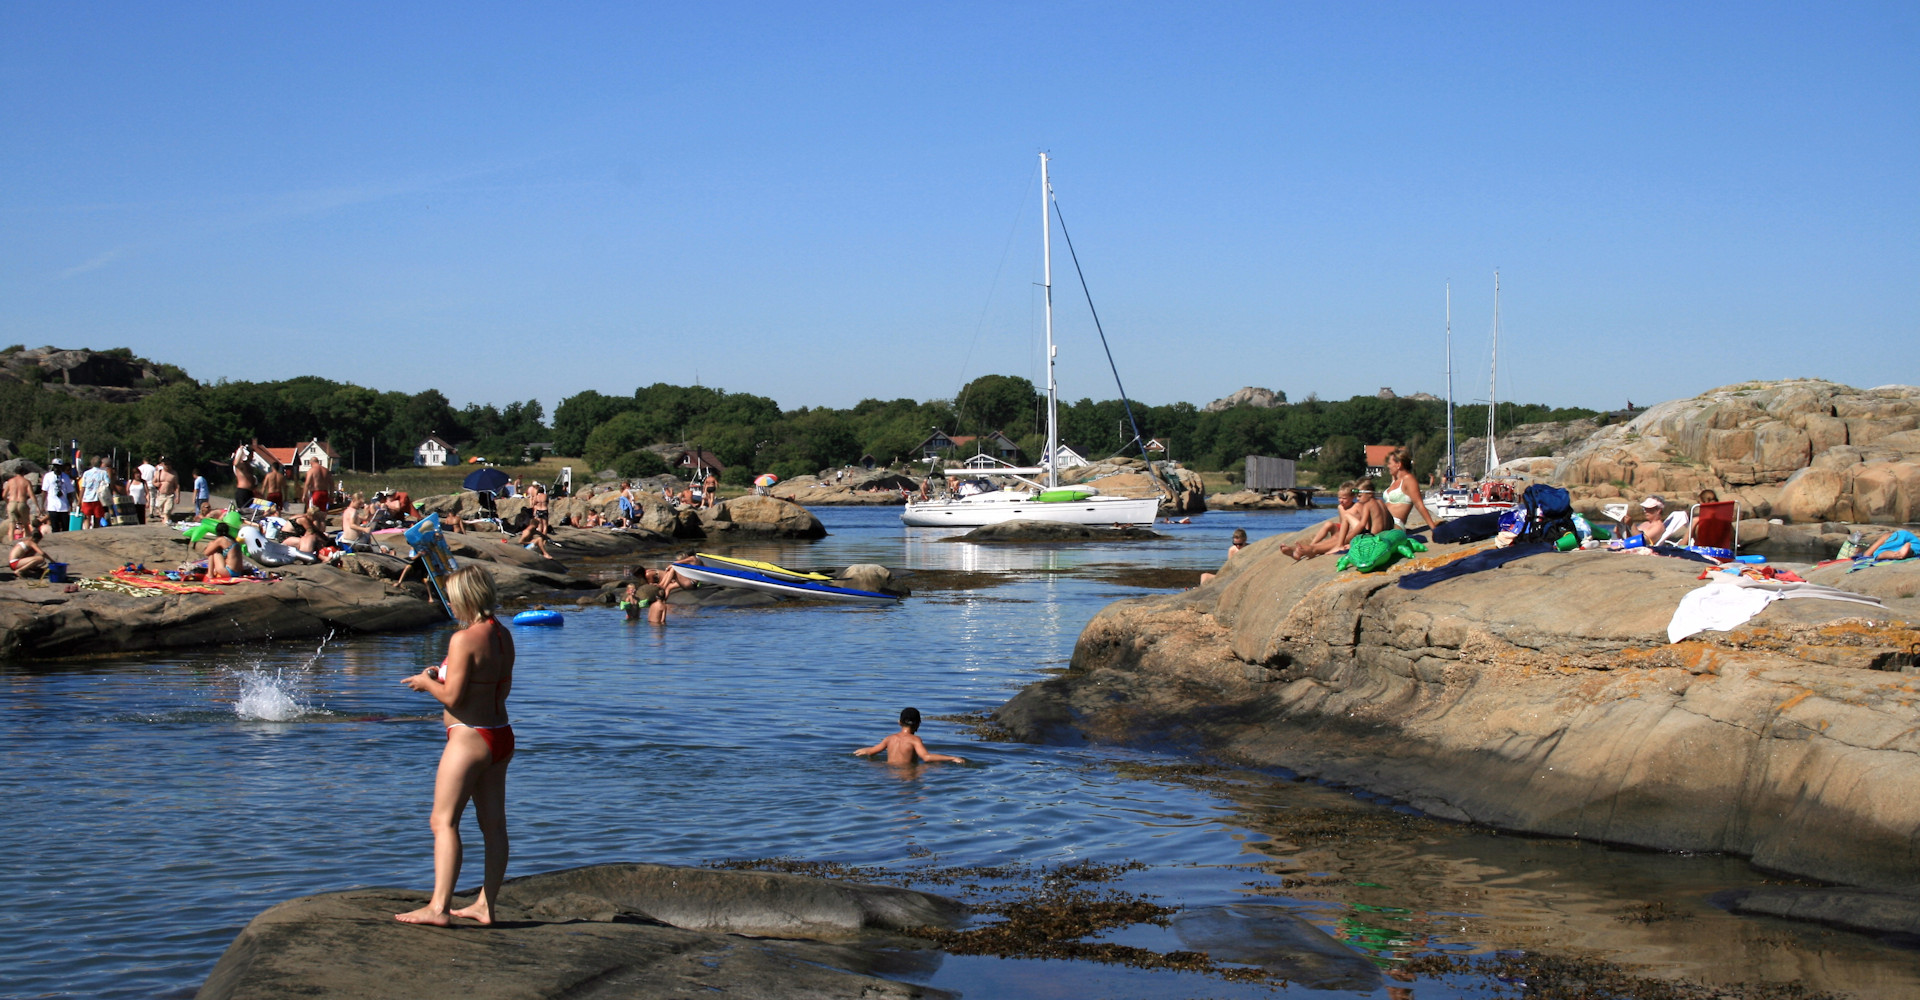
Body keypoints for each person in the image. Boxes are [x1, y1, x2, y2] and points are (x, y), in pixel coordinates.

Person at [396, 566, 515, 927]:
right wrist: (443, 673)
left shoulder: (463, 638)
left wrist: (426, 682)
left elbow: (452, 695)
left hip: (468, 737)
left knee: (443, 821)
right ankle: (485, 905)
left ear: (466, 597)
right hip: (500, 735)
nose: (448, 601)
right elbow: (498, 687)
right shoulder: (503, 635)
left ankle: (438, 908)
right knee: (493, 826)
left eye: (451, 595)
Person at [854, 707, 966, 764]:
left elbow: (871, 751)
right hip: (906, 774)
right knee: (937, 767)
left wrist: (862, 750)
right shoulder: (915, 740)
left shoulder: (889, 738)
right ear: (918, 724)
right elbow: (926, 757)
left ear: (899, 722)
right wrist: (952, 758)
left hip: (888, 772)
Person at [1382, 448, 1437, 531]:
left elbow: (1419, 504)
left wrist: (1433, 528)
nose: (1388, 466)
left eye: (1390, 463)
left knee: (1370, 505)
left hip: (1395, 524)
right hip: (1383, 521)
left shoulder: (1408, 479)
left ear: (1398, 465)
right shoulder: (1395, 480)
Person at [79, 457, 111, 530]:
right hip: (98, 498)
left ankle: (87, 530)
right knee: (97, 518)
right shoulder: (103, 473)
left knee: (87, 518)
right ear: (100, 464)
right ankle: (95, 531)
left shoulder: (86, 473)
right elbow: (108, 483)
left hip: (87, 498)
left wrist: (79, 501)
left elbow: (83, 487)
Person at [4, 469, 36, 540]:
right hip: (22, 503)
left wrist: (8, 502)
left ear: (15, 473)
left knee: (12, 525)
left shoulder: (10, 481)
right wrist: (37, 507)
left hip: (12, 503)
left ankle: (11, 544)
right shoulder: (26, 482)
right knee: (26, 525)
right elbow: (31, 495)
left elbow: (4, 495)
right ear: (23, 473)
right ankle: (26, 542)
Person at [42, 460, 73, 533]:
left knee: (65, 527)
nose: (56, 468)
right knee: (55, 527)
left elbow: (69, 492)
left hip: (64, 506)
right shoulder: (48, 476)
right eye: (55, 466)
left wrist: (70, 505)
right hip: (52, 506)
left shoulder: (65, 477)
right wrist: (42, 505)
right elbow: (44, 491)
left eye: (58, 466)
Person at [231, 445, 258, 511]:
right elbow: (236, 463)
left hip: (250, 492)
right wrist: (240, 451)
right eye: (252, 455)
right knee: (244, 512)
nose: (253, 456)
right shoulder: (242, 465)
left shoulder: (250, 466)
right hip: (242, 492)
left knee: (250, 512)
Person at [151, 460, 179, 525]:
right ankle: (165, 518)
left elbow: (177, 485)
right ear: (163, 465)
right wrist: (156, 484)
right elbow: (153, 481)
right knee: (159, 507)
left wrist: (178, 496)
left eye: (169, 465)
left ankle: (167, 519)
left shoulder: (174, 473)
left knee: (168, 509)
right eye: (166, 465)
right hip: (161, 494)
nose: (167, 466)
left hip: (170, 494)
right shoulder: (159, 472)